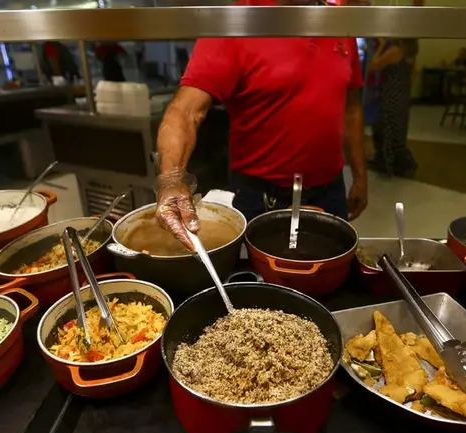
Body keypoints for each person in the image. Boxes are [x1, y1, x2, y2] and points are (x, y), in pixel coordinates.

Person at [154, 0, 368, 250]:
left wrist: (360, 176)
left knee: (331, 277)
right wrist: (171, 182)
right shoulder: (239, 21)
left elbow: (351, 109)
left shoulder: (338, 22)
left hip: (331, 193)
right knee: (258, 283)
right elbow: (185, 111)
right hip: (262, 199)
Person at [368, 38, 419, 177]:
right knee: (397, 128)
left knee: (384, 125)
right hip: (402, 95)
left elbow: (373, 66)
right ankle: (399, 163)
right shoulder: (410, 53)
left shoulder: (396, 51)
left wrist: (382, 46)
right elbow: (413, 74)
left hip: (390, 94)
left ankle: (386, 162)